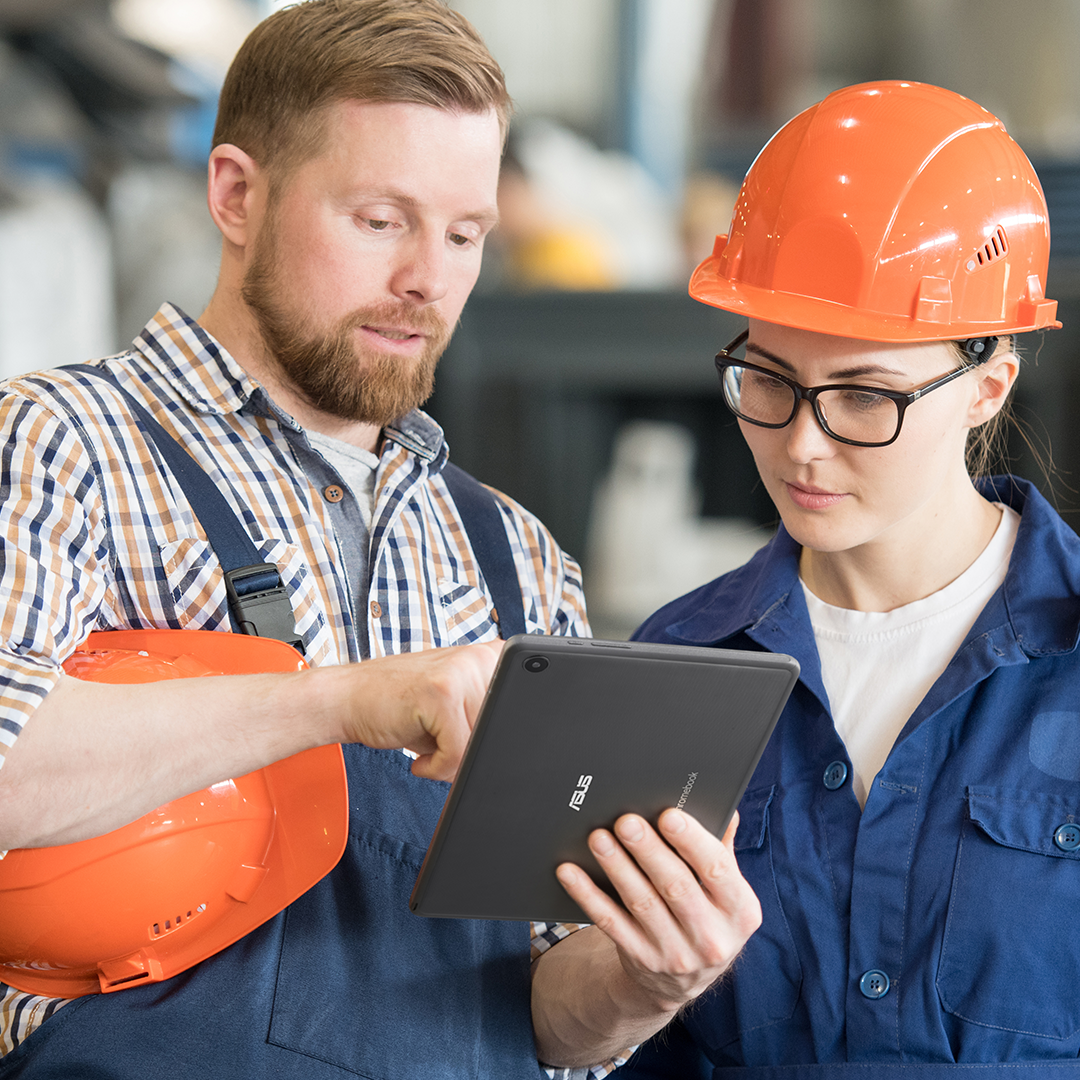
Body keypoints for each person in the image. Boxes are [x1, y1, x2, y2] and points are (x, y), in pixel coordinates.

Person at [0, 2, 761, 1076]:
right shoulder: (65, 446)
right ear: (236, 195)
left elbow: (548, 1018)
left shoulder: (515, 559)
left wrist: (645, 981)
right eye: (379, 220)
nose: (428, 279)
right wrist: (341, 700)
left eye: (463, 234)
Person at [610, 80, 1080, 1076]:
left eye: (865, 396)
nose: (803, 448)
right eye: (770, 380)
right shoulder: (679, 662)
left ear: (987, 385)